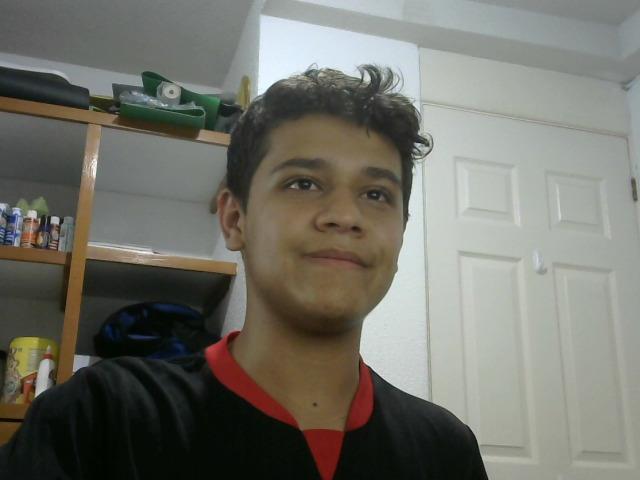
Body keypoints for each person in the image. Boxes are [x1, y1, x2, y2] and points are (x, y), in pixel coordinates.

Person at [0, 65, 488, 479]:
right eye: (304, 183)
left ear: (400, 235)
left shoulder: (446, 451)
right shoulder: (102, 417)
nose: (345, 215)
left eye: (377, 194)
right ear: (235, 219)